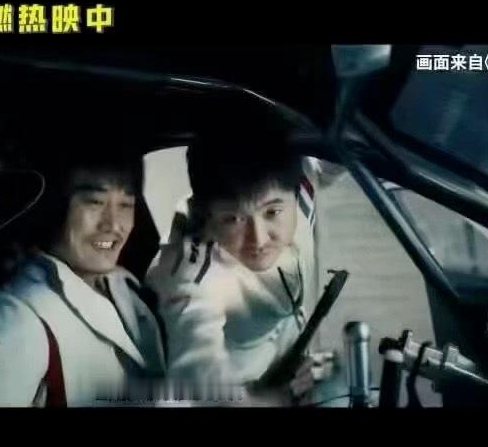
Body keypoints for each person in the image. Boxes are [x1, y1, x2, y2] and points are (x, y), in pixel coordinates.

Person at [146, 126, 344, 405]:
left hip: (292, 361)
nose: (259, 240)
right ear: (205, 214)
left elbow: (348, 147)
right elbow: (197, 378)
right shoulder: (190, 278)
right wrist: (278, 399)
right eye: (234, 219)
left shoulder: (301, 181)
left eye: (272, 212)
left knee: (339, 379)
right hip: (244, 392)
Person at [0, 145, 166, 407]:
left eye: (125, 204)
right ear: (53, 206)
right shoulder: (14, 315)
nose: (114, 224)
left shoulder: (128, 289)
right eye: (95, 202)